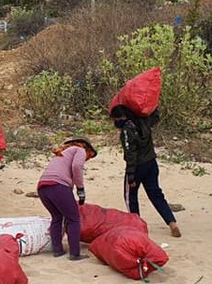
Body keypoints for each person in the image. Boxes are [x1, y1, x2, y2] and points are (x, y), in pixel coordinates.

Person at [110, 105, 181, 237]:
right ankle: (172, 223)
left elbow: (130, 153)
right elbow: (155, 116)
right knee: (156, 194)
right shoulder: (144, 122)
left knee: (130, 196)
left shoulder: (127, 131)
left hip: (137, 167)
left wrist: (131, 175)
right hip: (151, 164)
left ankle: (137, 226)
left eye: (115, 119)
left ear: (122, 117)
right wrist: (152, 106)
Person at [37, 137, 97, 261]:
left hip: (43, 186)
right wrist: (80, 189)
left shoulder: (63, 152)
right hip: (58, 186)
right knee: (74, 219)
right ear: (87, 148)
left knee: (57, 217)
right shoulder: (79, 150)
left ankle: (57, 250)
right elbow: (77, 167)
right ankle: (75, 253)